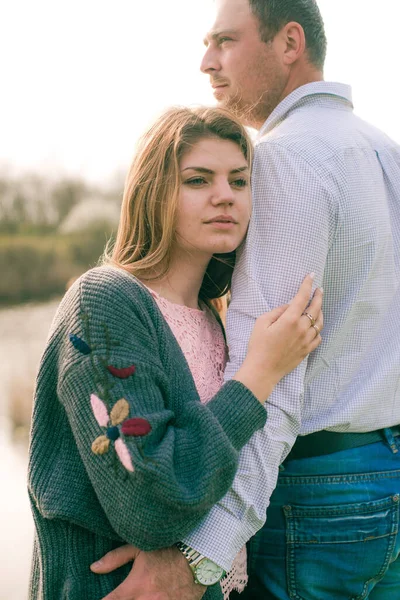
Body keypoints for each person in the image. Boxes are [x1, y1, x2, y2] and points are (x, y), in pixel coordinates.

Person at [92, 0, 400, 599]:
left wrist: (196, 556)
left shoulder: (287, 157)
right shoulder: (386, 152)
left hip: (315, 496)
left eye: (225, 41)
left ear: (289, 43)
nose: (207, 61)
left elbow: (274, 381)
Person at [27, 106, 323, 600]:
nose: (225, 195)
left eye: (240, 181)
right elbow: (153, 505)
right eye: (198, 180)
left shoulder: (216, 316)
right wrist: (258, 376)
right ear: (154, 191)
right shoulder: (105, 303)